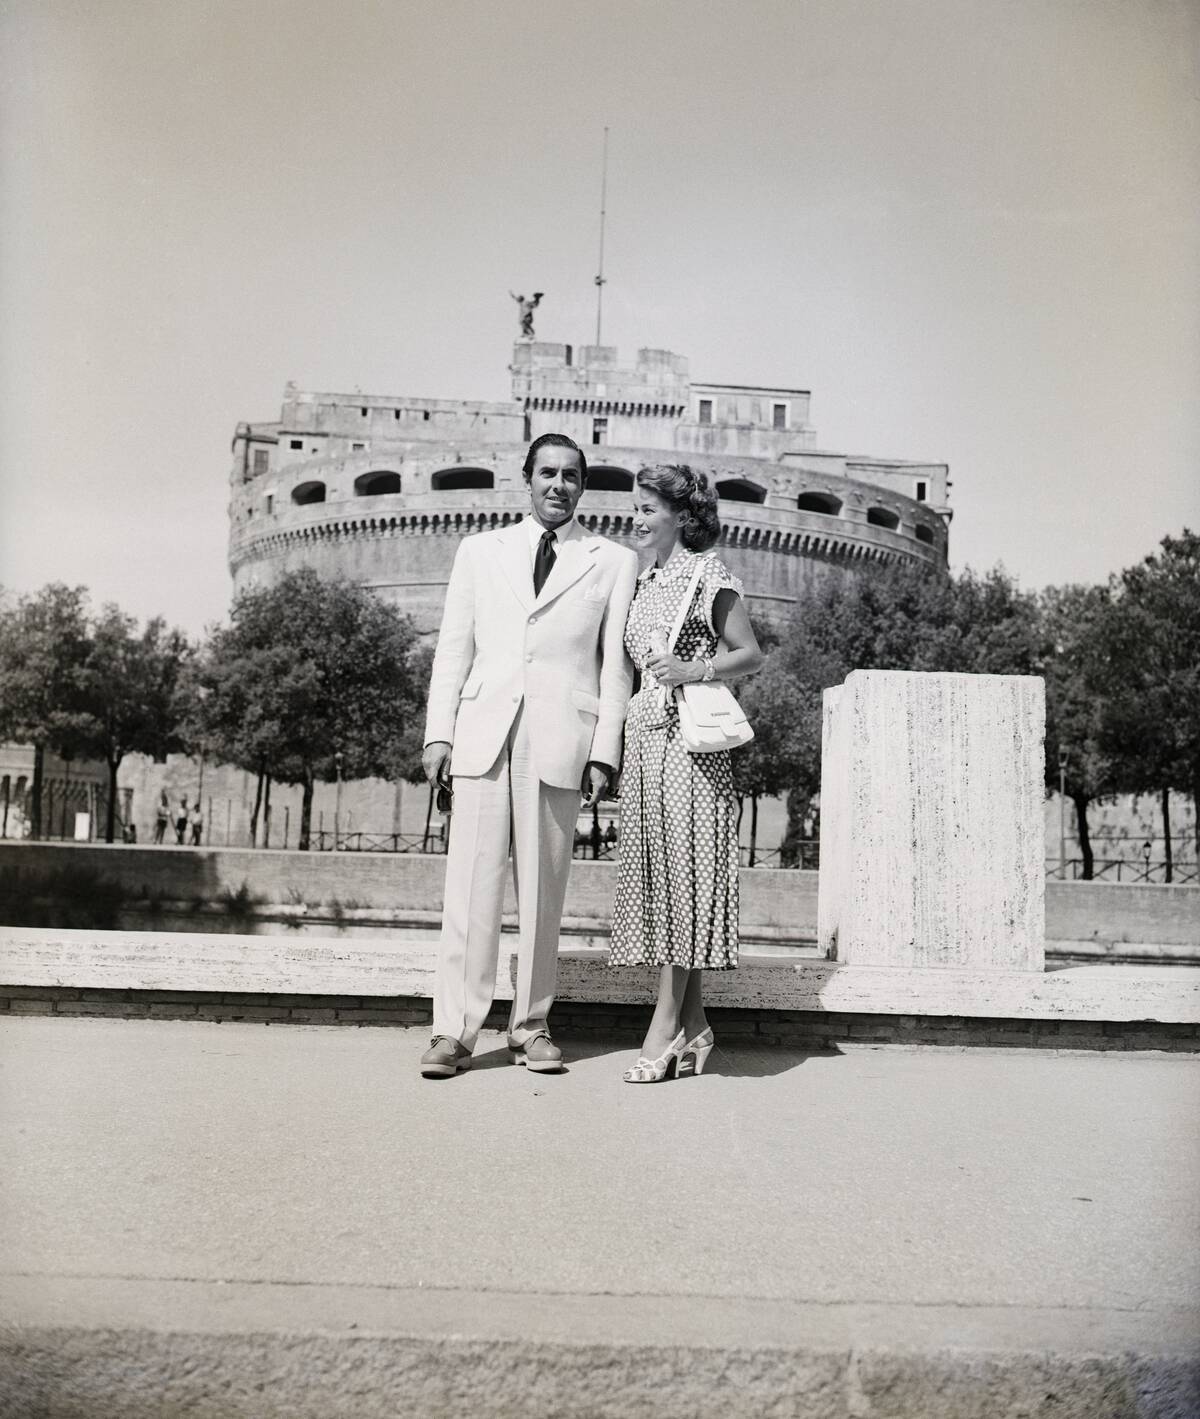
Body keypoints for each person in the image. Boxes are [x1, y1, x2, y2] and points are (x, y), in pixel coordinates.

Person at [420, 432, 638, 1079]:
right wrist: (439, 731)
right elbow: (452, 649)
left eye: (571, 475)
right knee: (470, 889)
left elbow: (614, 669)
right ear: (527, 477)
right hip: (485, 733)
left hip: (560, 740)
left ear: (583, 485)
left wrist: (605, 750)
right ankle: (453, 1031)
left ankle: (532, 1024)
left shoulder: (611, 561)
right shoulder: (479, 551)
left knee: (545, 893)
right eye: (548, 472)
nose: (558, 485)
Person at [608, 463, 763, 1082]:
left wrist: (691, 670)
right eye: (636, 508)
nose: (637, 518)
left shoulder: (708, 574)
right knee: (665, 883)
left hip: (690, 747)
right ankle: (696, 1027)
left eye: (648, 509)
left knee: (683, 880)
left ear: (682, 517)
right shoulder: (642, 581)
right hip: (646, 742)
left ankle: (664, 1025)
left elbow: (750, 654)